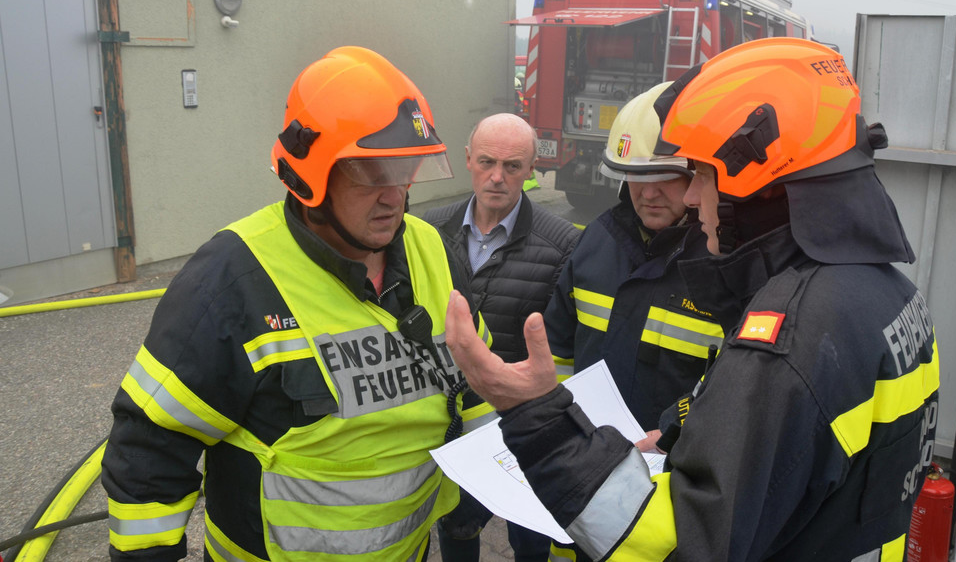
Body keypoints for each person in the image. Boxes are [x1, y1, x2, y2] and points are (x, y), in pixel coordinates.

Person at [443, 38, 940, 561]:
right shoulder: (889, 294)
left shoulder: (789, 338)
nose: (692, 196)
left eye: (700, 176)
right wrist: (688, 426)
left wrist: (540, 424)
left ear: (756, 186)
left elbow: (677, 541)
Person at [101, 46, 492, 562]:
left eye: (406, 169)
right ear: (311, 177)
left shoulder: (433, 250)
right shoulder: (234, 278)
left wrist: (484, 485)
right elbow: (151, 446)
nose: (394, 195)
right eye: (372, 173)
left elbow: (476, 381)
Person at [422, 112, 580, 562]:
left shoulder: (563, 243)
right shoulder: (428, 231)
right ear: (467, 159)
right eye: (487, 162)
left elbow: (562, 339)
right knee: (456, 526)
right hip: (451, 419)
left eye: (512, 166)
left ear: (531, 169)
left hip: (521, 422)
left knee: (530, 538)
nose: (497, 177)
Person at [544, 81, 722, 445]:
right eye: (638, 175)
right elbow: (557, 352)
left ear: (700, 176)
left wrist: (676, 432)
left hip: (676, 459)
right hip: (588, 449)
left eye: (667, 176)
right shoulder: (596, 242)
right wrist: (560, 424)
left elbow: (734, 384)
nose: (649, 192)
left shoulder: (724, 264)